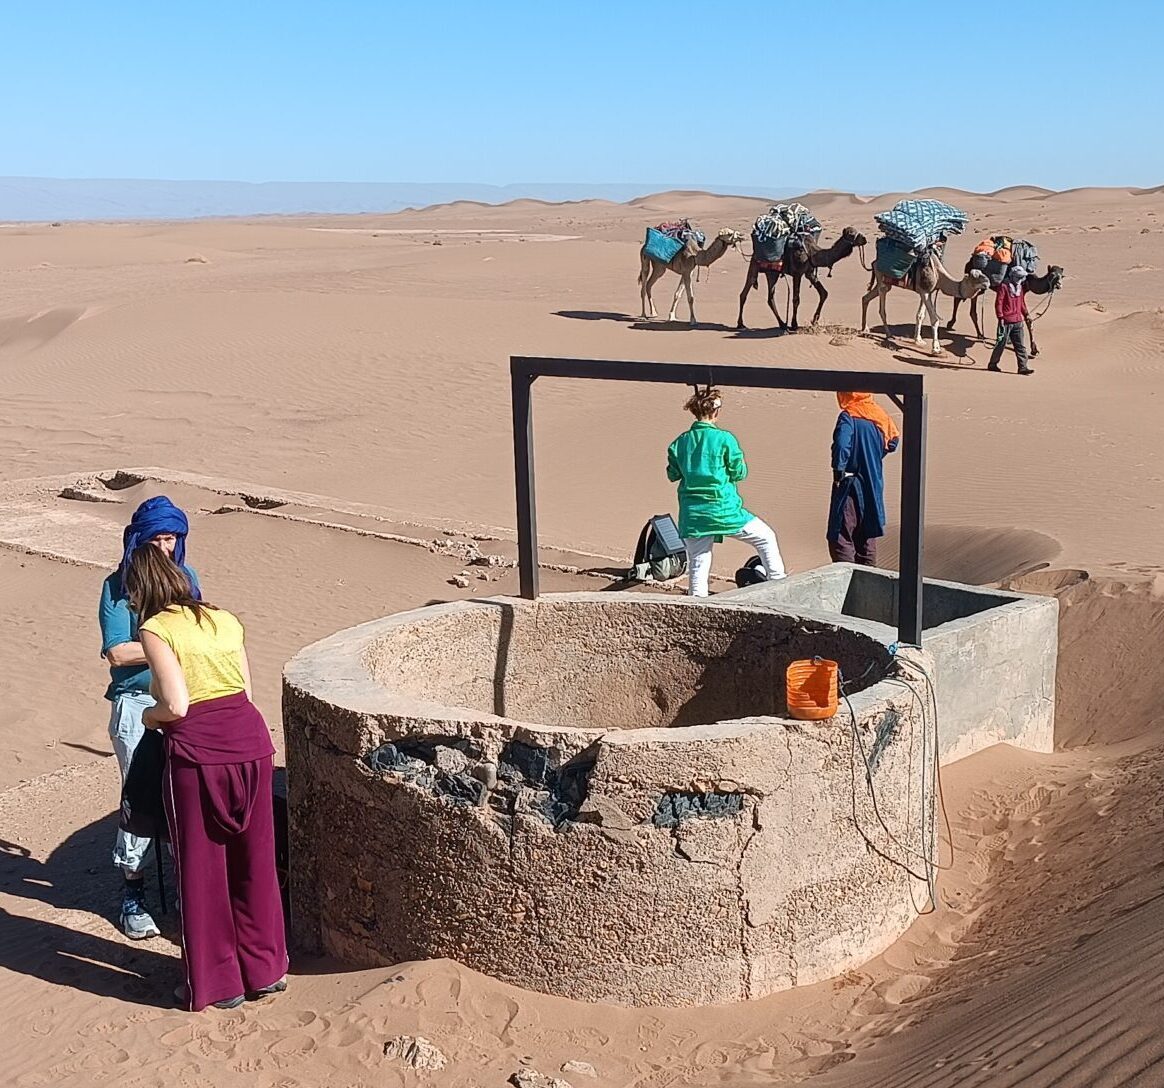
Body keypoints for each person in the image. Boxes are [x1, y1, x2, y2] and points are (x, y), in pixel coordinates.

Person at [127, 544, 288, 1012]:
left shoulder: (156, 629)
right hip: (251, 743)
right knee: (255, 860)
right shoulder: (224, 618)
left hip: (198, 754)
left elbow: (175, 704)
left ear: (142, 589)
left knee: (202, 869)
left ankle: (218, 984)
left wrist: (150, 721)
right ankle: (268, 967)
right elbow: (246, 690)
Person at [98, 496, 201, 939]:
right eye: (156, 538)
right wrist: (166, 643)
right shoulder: (117, 587)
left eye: (171, 537)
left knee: (185, 792)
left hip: (182, 697)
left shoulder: (187, 577)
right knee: (140, 796)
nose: (164, 546)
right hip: (137, 703)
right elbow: (118, 652)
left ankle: (187, 884)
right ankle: (133, 892)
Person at [666, 386, 786, 596]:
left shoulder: (679, 443)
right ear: (716, 411)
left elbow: (672, 474)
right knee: (765, 537)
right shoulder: (725, 439)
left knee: (699, 563)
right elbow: (739, 472)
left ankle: (697, 607)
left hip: (693, 514)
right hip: (723, 508)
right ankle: (779, 585)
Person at [827, 392, 901, 567]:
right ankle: (870, 580)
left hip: (850, 483)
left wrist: (839, 471)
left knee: (842, 535)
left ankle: (847, 581)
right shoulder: (879, 415)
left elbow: (842, 445)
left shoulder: (849, 416)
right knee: (867, 534)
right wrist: (873, 455)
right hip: (873, 483)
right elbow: (893, 442)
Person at [988, 264, 1034, 375]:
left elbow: (1021, 302)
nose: (1020, 279)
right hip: (1006, 321)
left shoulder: (1020, 288)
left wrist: (1026, 314)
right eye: (1018, 277)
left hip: (1018, 321)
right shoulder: (1004, 286)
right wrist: (1000, 317)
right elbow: (999, 303)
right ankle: (993, 364)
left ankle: (1023, 367)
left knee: (1020, 346)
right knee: (1001, 344)